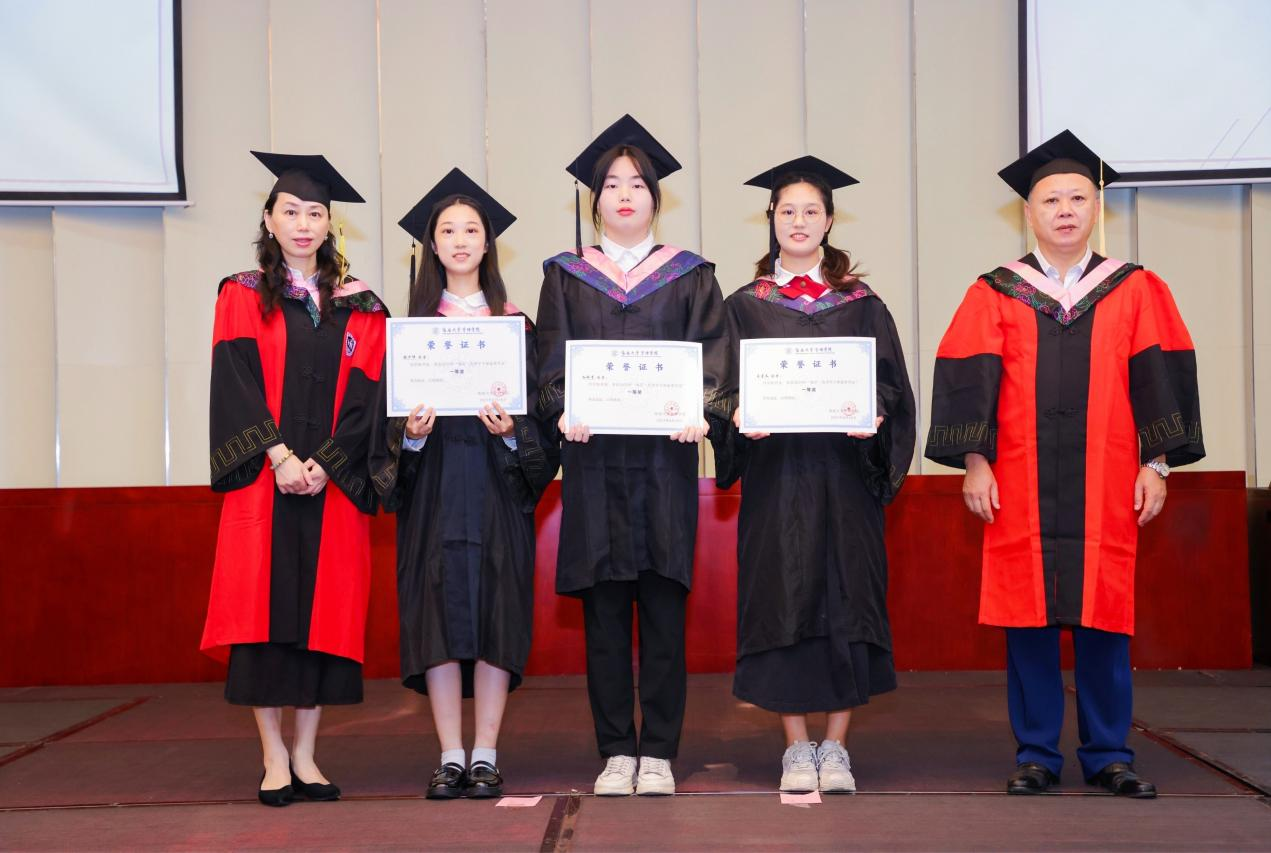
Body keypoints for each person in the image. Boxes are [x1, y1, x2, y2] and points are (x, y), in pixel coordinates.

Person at [925, 130, 1204, 798]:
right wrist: (975, 462)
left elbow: (1159, 377)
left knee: (1106, 617)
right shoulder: (996, 290)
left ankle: (1108, 753)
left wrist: (1156, 464)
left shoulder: (1135, 288)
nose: (1065, 210)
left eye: (1077, 198)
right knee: (1026, 620)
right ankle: (1036, 755)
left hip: (1109, 478)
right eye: (1050, 199)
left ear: (1095, 207)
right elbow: (969, 378)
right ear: (1029, 211)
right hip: (1018, 479)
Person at [535, 115, 730, 796]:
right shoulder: (565, 276)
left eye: (637, 184)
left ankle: (661, 753)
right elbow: (549, 361)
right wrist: (561, 407)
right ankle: (617, 749)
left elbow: (715, 358)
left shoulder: (690, 275)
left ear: (655, 197)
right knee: (606, 616)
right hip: (593, 467)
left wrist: (702, 410)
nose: (624, 194)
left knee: (666, 613)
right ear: (595, 200)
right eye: (612, 184)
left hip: (663, 467)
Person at [713, 157, 915, 793]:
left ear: (829, 220)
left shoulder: (861, 304)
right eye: (787, 211)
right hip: (776, 481)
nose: (798, 221)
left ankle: (838, 746)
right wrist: (736, 415)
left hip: (845, 478)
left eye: (811, 211)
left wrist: (875, 414)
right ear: (771, 219)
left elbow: (892, 387)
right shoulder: (744, 306)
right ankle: (797, 747)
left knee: (847, 596)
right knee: (782, 596)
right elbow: (719, 389)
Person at [201, 151, 387, 806]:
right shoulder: (242, 294)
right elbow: (236, 380)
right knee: (263, 619)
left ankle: (306, 753)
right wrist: (279, 456)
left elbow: (368, 396)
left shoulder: (362, 306)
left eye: (315, 213)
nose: (303, 224)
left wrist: (327, 463)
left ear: (330, 224)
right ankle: (272, 755)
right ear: (269, 219)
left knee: (323, 621)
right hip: (265, 481)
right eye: (291, 212)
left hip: (330, 487)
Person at [372, 168, 557, 799]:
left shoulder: (516, 326)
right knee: (439, 617)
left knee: (496, 612)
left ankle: (486, 754)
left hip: (497, 488)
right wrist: (410, 436)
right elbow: (383, 430)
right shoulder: (411, 331)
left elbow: (540, 427)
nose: (459, 240)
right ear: (432, 244)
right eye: (447, 230)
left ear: (487, 243)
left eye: (470, 230)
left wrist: (512, 433)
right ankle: (450, 754)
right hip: (433, 490)